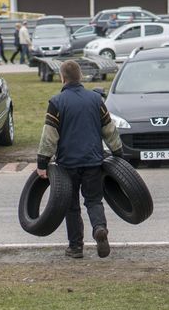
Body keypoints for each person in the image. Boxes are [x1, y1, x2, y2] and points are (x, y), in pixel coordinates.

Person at [36, 60, 123, 259]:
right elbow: (109, 130)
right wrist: (119, 155)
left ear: (62, 77)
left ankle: (76, 247)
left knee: (71, 205)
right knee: (94, 201)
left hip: (68, 164)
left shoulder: (56, 102)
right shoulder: (96, 100)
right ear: (80, 76)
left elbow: (49, 136)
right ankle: (99, 228)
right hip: (94, 162)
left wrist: (42, 163)